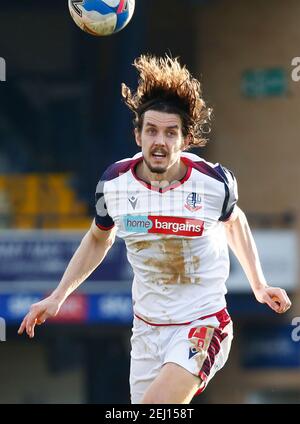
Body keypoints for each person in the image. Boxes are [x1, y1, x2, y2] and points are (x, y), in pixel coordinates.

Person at [18, 54, 292, 404]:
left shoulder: (213, 182)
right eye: (151, 130)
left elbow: (234, 221)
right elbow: (98, 238)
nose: (159, 141)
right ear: (137, 134)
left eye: (170, 132)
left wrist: (258, 285)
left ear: (185, 139)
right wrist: (58, 296)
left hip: (203, 323)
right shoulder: (113, 185)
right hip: (147, 331)